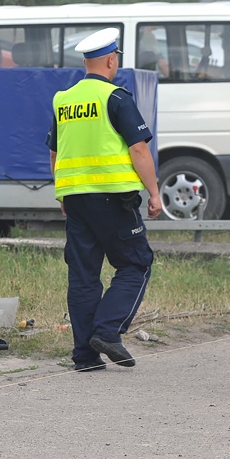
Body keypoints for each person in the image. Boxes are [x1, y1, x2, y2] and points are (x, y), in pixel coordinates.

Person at [45, 27, 163, 372]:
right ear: (112, 60)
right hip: (114, 199)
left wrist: (63, 191)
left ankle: (85, 356)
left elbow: (54, 152)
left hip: (76, 201)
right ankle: (108, 331)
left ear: (87, 63)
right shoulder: (116, 98)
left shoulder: (63, 100)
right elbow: (138, 148)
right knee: (136, 263)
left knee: (83, 276)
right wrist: (154, 192)